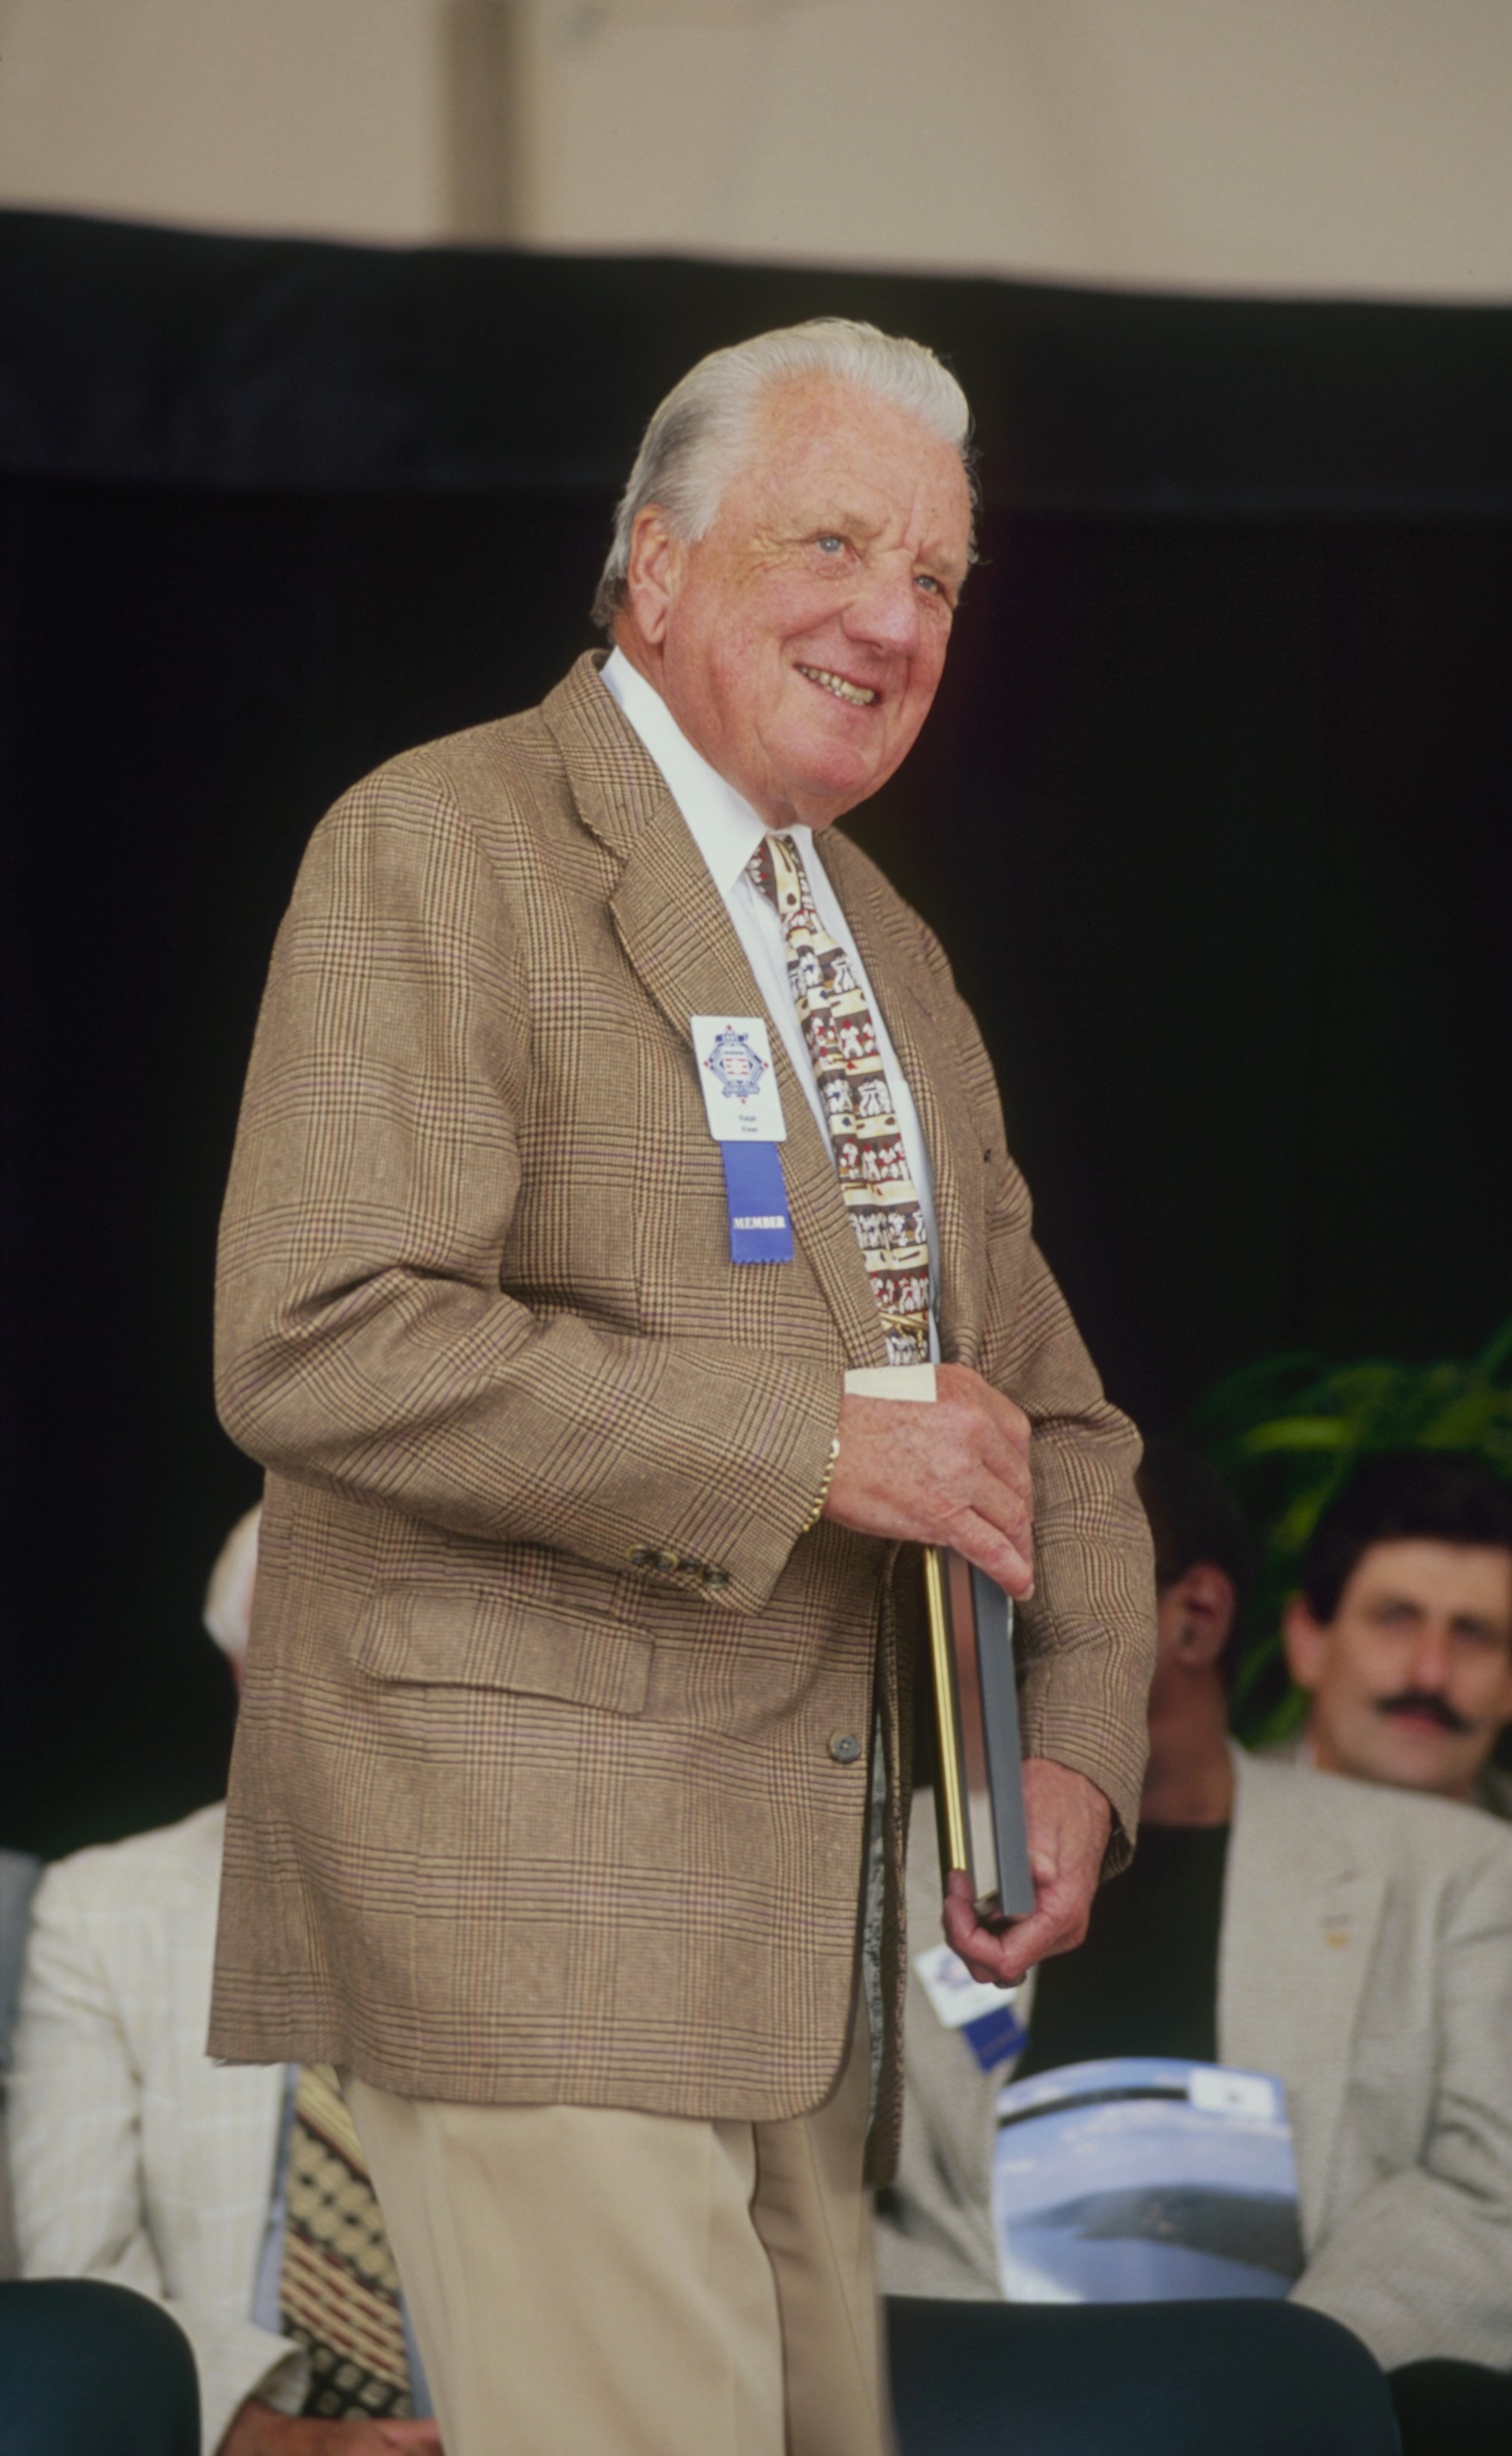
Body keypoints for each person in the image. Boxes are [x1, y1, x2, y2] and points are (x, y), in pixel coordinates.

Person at [208, 319, 1156, 2456]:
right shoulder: (444, 843)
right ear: (652, 564)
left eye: (935, 579)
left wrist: (1076, 1756)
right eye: (833, 542)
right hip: (532, 1906)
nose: (890, 618)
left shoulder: (881, 944)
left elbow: (1049, 1419)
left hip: (799, 1958)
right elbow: (313, 1327)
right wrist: (803, 1444)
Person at [879, 1439, 1512, 2454]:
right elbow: (820, 2199)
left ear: (1196, 1616)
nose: (982, 1634)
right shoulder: (894, 1860)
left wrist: (1244, 2396)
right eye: (969, 1589)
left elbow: (1493, 2199)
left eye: (1028, 1588)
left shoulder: (1463, 1871)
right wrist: (1046, 2391)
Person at [7, 1510, 440, 2456]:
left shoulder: (566, 1914)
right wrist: (265, 2436)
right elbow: (84, 2273)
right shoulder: (103, 1908)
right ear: (246, 1674)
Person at [1280, 1449, 1512, 1816]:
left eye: (1474, 1635)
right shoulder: (1186, 1832)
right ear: (1307, 1642)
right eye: (1395, 1620)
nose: (1430, 1676)